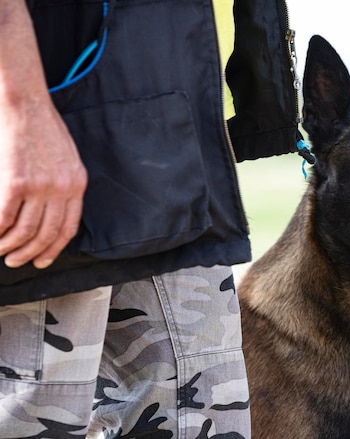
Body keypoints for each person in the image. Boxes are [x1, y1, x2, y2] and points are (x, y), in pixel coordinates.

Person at [0, 0, 303, 437]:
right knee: (37, 418)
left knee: (206, 416)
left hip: (173, 120)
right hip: (51, 108)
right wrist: (20, 107)